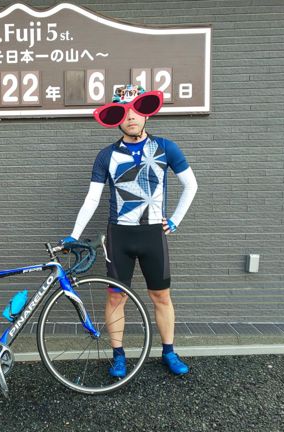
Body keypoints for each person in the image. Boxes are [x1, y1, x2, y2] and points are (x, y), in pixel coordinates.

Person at [60, 84, 198, 376]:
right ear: (116, 118)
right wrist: (74, 234)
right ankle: (118, 355)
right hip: (119, 236)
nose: (131, 116)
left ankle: (169, 352)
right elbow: (92, 198)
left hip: (153, 234)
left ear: (146, 114)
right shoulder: (106, 155)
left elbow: (191, 185)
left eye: (136, 109)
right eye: (123, 111)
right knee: (115, 297)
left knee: (161, 296)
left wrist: (175, 220)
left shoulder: (165, 148)